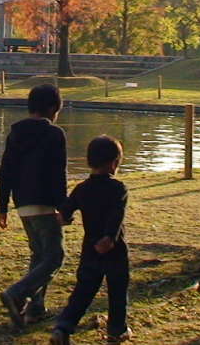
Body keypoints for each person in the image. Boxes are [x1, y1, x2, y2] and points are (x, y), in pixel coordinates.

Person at [0, 84, 68, 329]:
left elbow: (5, 170)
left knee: (39, 256)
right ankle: (17, 293)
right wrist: (63, 206)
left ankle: (35, 310)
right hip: (45, 203)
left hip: (22, 203)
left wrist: (2, 205)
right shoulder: (54, 134)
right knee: (55, 256)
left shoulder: (15, 133)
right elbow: (58, 174)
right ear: (53, 108)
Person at [49, 136, 131, 344]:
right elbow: (116, 215)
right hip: (114, 248)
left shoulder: (82, 188)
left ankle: (63, 327)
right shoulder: (118, 188)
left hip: (90, 247)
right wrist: (109, 238)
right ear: (114, 163)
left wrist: (64, 218)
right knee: (117, 290)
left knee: (83, 290)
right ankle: (116, 329)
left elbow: (64, 211)